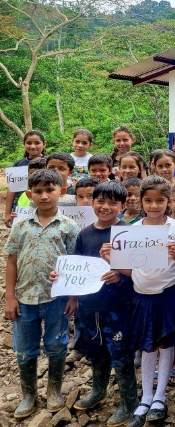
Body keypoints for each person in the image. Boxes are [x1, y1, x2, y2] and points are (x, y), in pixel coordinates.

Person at [109, 176, 175, 426]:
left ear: (168, 201)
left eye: (160, 200)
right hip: (142, 296)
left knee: (166, 344)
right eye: (149, 200)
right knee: (147, 346)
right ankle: (145, 398)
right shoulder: (131, 230)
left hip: (169, 294)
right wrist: (111, 259)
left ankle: (160, 397)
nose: (154, 205)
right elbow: (127, 269)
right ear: (141, 201)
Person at [4, 169, 79, 419]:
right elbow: (12, 260)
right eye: (38, 191)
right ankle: (29, 394)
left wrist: (72, 296)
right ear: (29, 194)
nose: (44, 196)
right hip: (25, 298)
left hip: (57, 299)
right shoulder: (21, 225)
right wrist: (10, 297)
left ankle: (54, 390)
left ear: (62, 191)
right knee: (25, 349)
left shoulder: (69, 226)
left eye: (50, 190)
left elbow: (74, 263)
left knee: (56, 345)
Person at [60, 181, 137, 426]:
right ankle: (98, 391)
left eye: (112, 202)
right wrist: (72, 296)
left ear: (123, 206)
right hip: (88, 306)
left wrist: (120, 274)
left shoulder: (128, 233)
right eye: (100, 201)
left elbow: (138, 272)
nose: (105, 207)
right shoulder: (84, 234)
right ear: (92, 203)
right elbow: (77, 267)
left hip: (118, 307)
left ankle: (128, 402)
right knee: (96, 352)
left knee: (121, 355)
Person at [4, 130, 47, 228]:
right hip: (21, 207)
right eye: (29, 143)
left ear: (44, 144)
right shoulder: (18, 164)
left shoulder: (50, 162)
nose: (32, 146)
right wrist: (8, 213)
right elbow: (12, 189)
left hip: (44, 205)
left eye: (37, 143)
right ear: (24, 144)